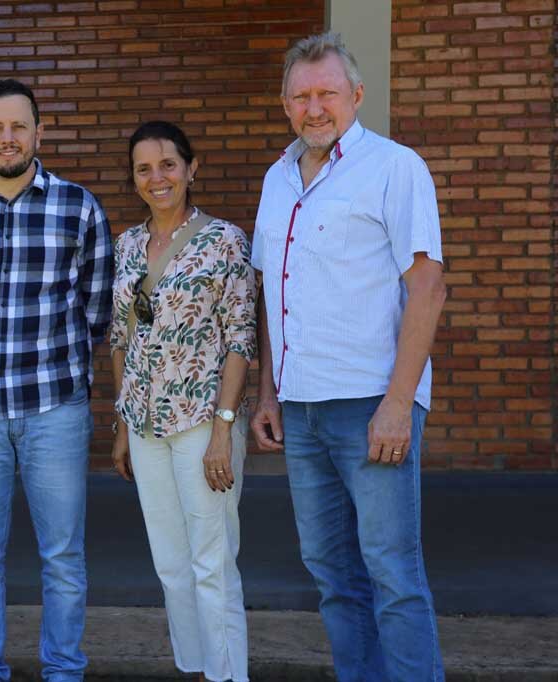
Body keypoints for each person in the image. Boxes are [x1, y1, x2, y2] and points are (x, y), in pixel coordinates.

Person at [250, 32, 447, 681]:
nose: (314, 107)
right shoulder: (277, 180)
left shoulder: (395, 168)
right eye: (301, 96)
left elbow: (427, 286)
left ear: (356, 96)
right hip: (301, 411)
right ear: (285, 104)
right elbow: (272, 293)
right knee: (332, 575)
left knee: (392, 572)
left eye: (327, 93)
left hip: (371, 406)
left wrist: (398, 403)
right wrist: (268, 395)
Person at [0, 78, 113, 681]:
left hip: (55, 407)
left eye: (19, 126)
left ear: (39, 131)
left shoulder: (80, 207)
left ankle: (63, 671)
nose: (8, 138)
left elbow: (96, 309)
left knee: (62, 555)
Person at [110, 121, 256, 682]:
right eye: (144, 168)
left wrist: (223, 429)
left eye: (168, 164)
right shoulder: (127, 244)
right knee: (171, 566)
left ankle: (229, 676)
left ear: (191, 169)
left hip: (202, 422)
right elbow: (122, 339)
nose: (157, 177)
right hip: (145, 425)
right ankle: (196, 670)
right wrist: (123, 425)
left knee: (212, 565)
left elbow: (242, 338)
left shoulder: (224, 240)